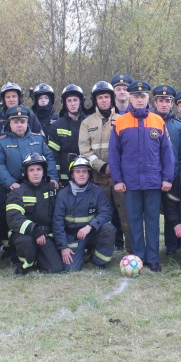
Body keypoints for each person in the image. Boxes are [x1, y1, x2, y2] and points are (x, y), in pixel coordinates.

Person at [109, 80, 175, 273]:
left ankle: (153, 259)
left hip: (154, 182)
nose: (139, 99)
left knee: (153, 221)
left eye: (143, 96)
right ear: (129, 97)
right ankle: (139, 258)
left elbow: (167, 154)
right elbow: (114, 155)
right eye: (136, 96)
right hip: (130, 183)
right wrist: (118, 180)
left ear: (148, 98)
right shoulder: (120, 122)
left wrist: (167, 178)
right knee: (134, 221)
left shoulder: (158, 121)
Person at [0, 105, 59, 257]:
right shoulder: (0, 143)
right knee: (10, 218)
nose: (19, 125)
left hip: (38, 189)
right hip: (12, 189)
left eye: (22, 121)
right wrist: (9, 182)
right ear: (9, 123)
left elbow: (49, 159)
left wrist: (53, 177)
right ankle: (11, 249)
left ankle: (41, 247)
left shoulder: (38, 139)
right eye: (16, 122)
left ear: (27, 122)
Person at [79, 81, 130, 252]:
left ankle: (131, 249)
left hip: (120, 179)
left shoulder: (123, 120)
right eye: (100, 97)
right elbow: (85, 151)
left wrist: (116, 168)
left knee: (126, 216)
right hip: (98, 179)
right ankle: (100, 249)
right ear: (95, 100)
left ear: (112, 98)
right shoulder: (87, 123)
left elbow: (128, 149)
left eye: (107, 97)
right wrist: (102, 167)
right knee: (100, 216)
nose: (104, 101)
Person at [53, 157, 116, 271]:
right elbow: (57, 224)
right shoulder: (62, 195)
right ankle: (80, 253)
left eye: (84, 171)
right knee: (70, 268)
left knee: (108, 228)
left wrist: (90, 226)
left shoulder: (97, 192)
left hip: (91, 233)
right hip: (72, 237)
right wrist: (63, 247)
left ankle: (98, 260)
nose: (81, 175)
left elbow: (106, 212)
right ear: (72, 175)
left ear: (89, 174)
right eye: (77, 172)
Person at [6, 153, 62, 274]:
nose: (36, 173)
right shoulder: (18, 191)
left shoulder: (52, 189)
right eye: (31, 170)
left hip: (45, 236)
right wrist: (34, 229)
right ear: (25, 172)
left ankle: (37, 258)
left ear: (44, 171)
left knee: (55, 268)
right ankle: (25, 263)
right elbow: (13, 217)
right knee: (26, 241)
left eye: (39, 169)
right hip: (24, 234)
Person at [152, 84, 181, 256]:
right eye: (161, 100)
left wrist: (180, 178)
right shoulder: (148, 123)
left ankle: (172, 247)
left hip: (173, 178)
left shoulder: (178, 126)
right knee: (151, 215)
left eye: (167, 101)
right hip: (152, 178)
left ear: (172, 104)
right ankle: (152, 247)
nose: (164, 104)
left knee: (171, 213)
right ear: (155, 102)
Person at [0, 82, 43, 159]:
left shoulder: (31, 116)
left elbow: (40, 141)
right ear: (3, 99)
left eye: (14, 96)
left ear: (19, 97)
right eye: (8, 97)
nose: (11, 99)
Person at [48, 84, 87, 186]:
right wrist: (55, 177)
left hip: (86, 177)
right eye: (69, 101)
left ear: (81, 101)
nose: (72, 104)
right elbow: (52, 155)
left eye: (75, 100)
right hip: (64, 180)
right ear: (65, 103)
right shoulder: (57, 126)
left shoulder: (89, 123)